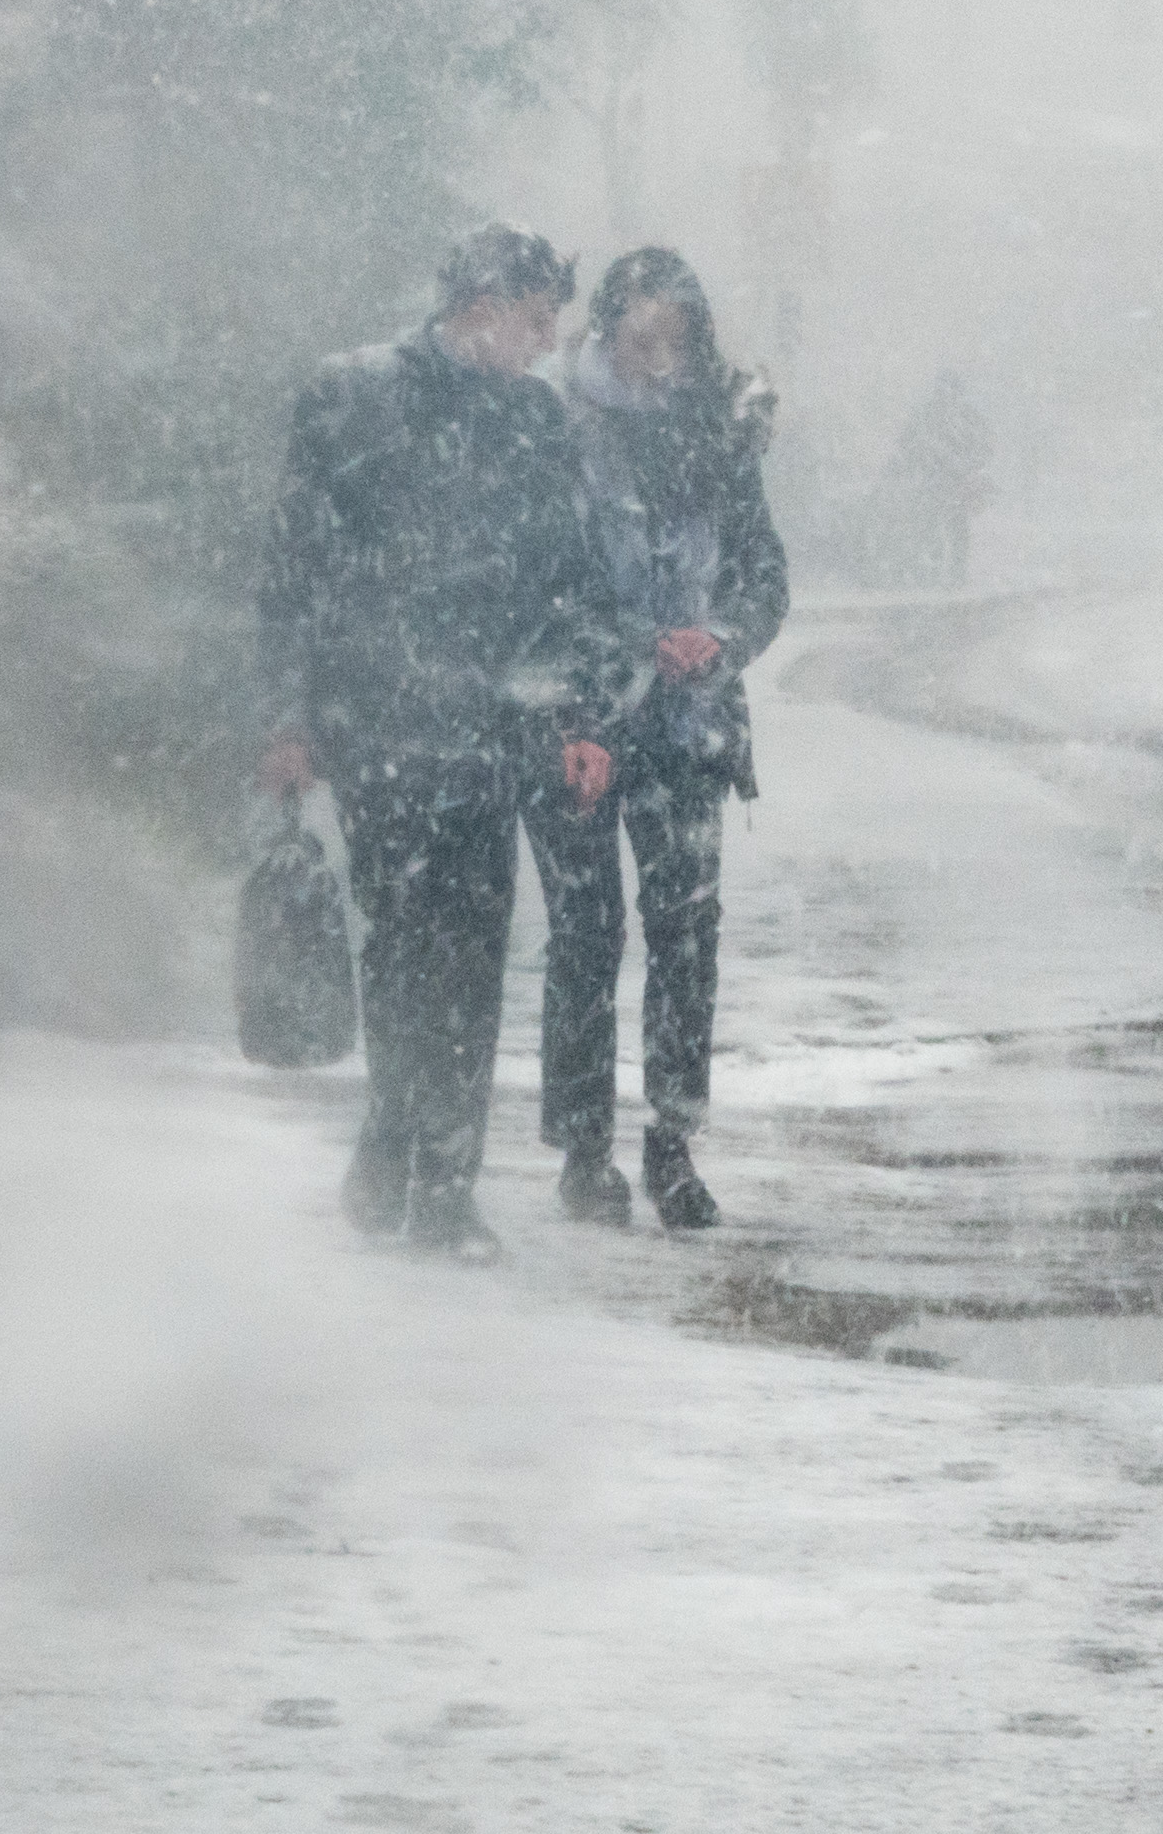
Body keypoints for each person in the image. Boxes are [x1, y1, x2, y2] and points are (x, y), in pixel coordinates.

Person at [255, 225, 635, 1258]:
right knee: (402, 943)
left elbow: (575, 584)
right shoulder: (352, 396)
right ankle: (398, 1138)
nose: (548, 339)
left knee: (469, 951)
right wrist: (288, 716)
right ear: (486, 302)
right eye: (538, 316)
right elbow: (294, 569)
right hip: (379, 724)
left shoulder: (536, 421)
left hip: (490, 726)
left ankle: (440, 1178)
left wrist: (577, 714)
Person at [538, 247, 788, 1231]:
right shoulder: (560, 424)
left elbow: (764, 572)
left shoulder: (718, 436)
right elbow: (548, 579)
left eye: (673, 339)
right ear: (606, 326)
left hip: (689, 725)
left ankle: (671, 1141)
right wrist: (638, 641)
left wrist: (719, 638)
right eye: (638, 336)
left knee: (686, 936)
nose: (655, 357)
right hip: (585, 717)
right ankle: (583, 1147)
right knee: (584, 935)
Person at [887, 368, 993, 588]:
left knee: (951, 527)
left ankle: (951, 574)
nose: (947, 394)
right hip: (934, 481)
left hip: (951, 482)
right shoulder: (933, 415)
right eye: (944, 389)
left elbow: (984, 447)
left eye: (951, 390)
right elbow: (906, 445)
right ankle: (937, 573)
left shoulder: (962, 416)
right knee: (934, 526)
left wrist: (968, 464)